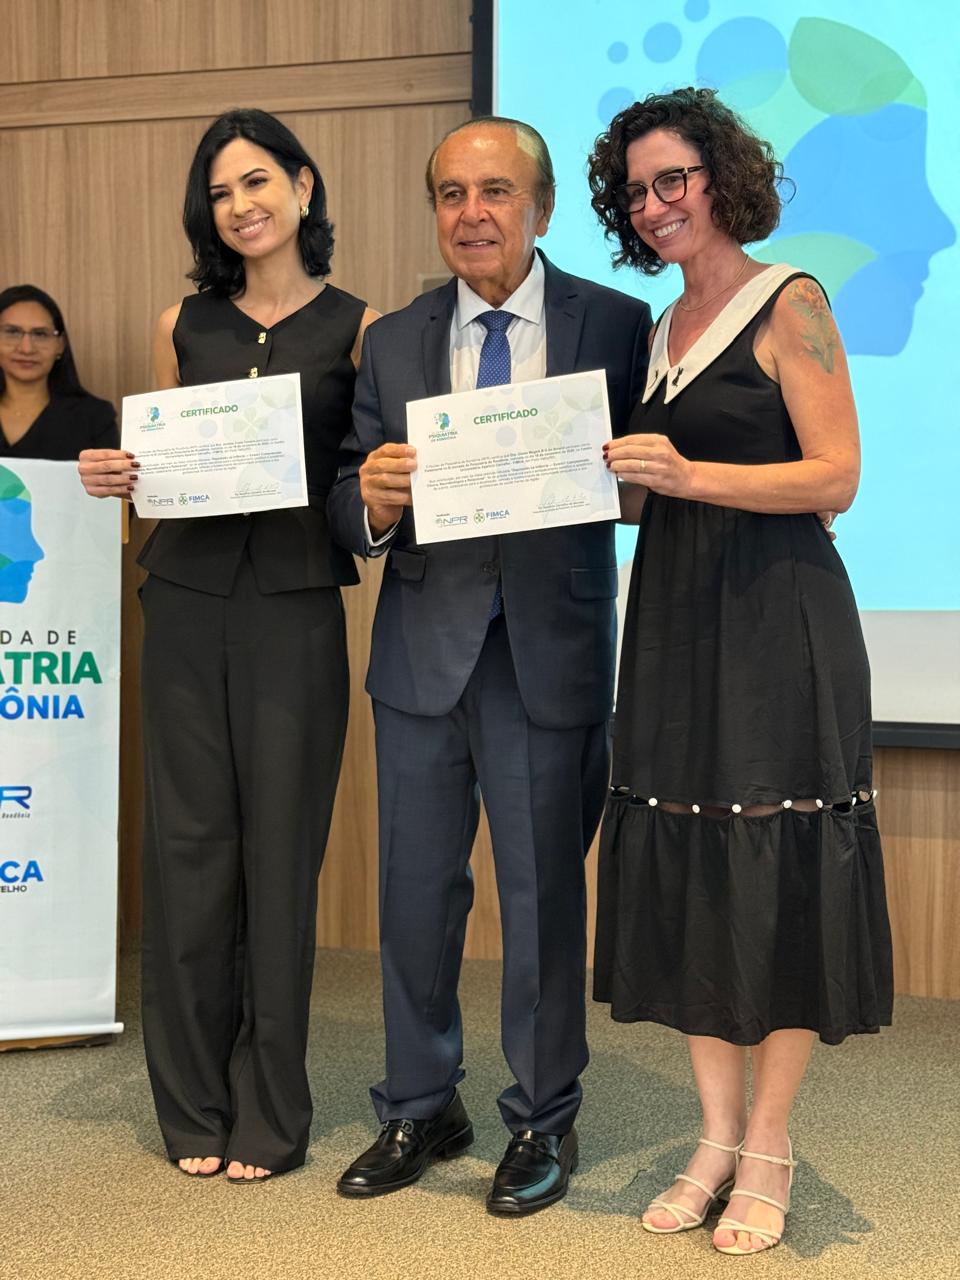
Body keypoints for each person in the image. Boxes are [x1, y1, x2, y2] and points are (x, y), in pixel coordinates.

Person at [586, 88, 893, 1254]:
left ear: (721, 176)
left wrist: (686, 475)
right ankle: (714, 1134)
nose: (654, 204)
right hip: (675, 616)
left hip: (778, 619)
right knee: (691, 864)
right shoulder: (660, 326)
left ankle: (769, 1142)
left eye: (673, 179)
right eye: (635, 191)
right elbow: (647, 488)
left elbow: (835, 474)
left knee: (778, 868)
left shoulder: (791, 298)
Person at [329, 116, 651, 1216]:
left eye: (497, 191)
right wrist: (371, 501)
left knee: (542, 900)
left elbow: (643, 480)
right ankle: (421, 1103)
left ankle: (542, 1117)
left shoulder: (616, 323)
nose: (473, 214)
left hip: (548, 655)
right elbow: (345, 493)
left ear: (542, 208)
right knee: (416, 898)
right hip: (423, 657)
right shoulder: (393, 338)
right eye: (452, 194)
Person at [78, 108, 377, 1183]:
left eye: (256, 181)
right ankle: (193, 1103)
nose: (241, 205)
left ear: (303, 185)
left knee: (282, 852)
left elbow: (358, 482)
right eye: (219, 192)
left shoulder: (360, 326)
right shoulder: (182, 323)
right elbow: (156, 463)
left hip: (294, 606)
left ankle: (270, 1108)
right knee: (189, 850)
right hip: (186, 600)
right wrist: (118, 472)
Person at [0, 284, 117, 459]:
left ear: (60, 345)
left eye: (40, 334)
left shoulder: (96, 418)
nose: (26, 348)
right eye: (12, 332)